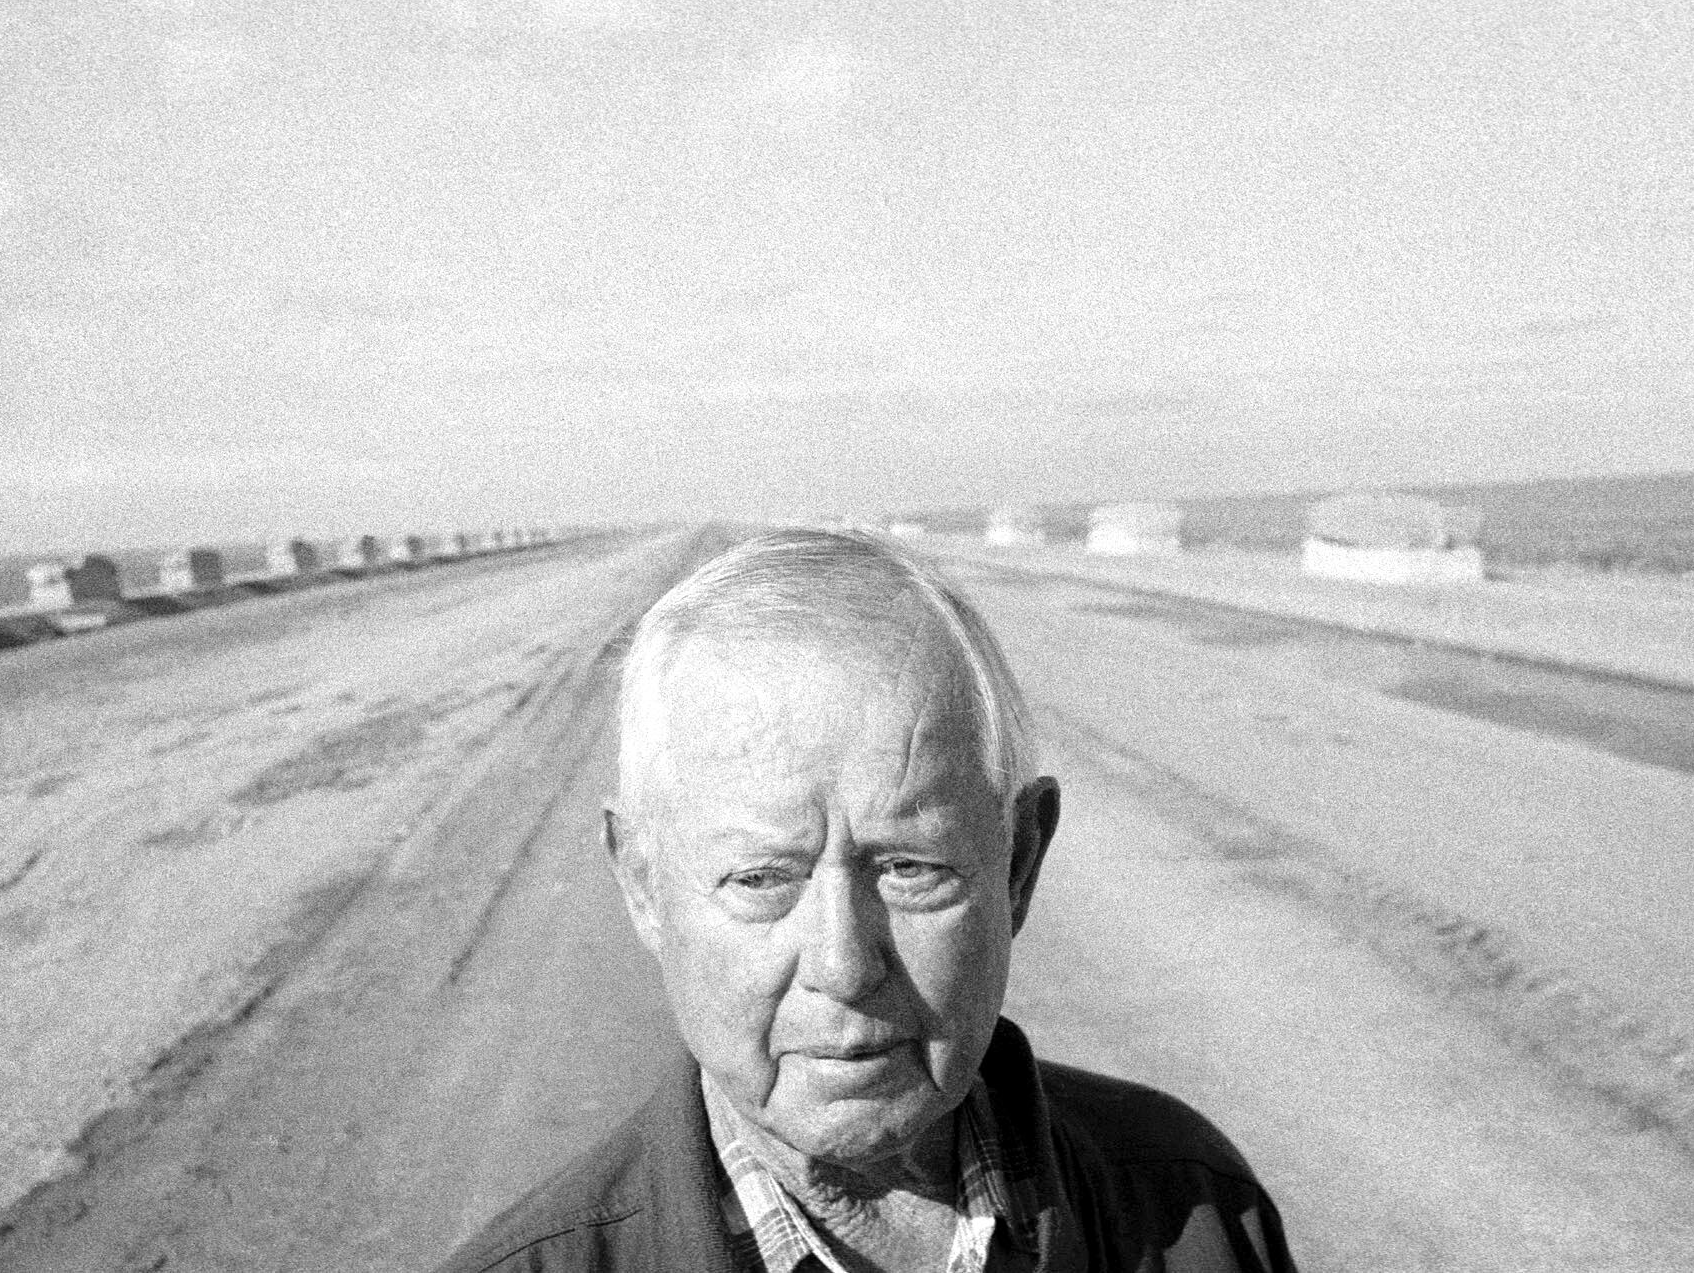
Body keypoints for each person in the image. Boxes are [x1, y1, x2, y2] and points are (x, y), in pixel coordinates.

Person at [442, 529, 1296, 1273]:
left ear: (1019, 862)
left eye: (908, 868)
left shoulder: (1193, 1214)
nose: (843, 966)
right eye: (762, 878)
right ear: (642, 881)